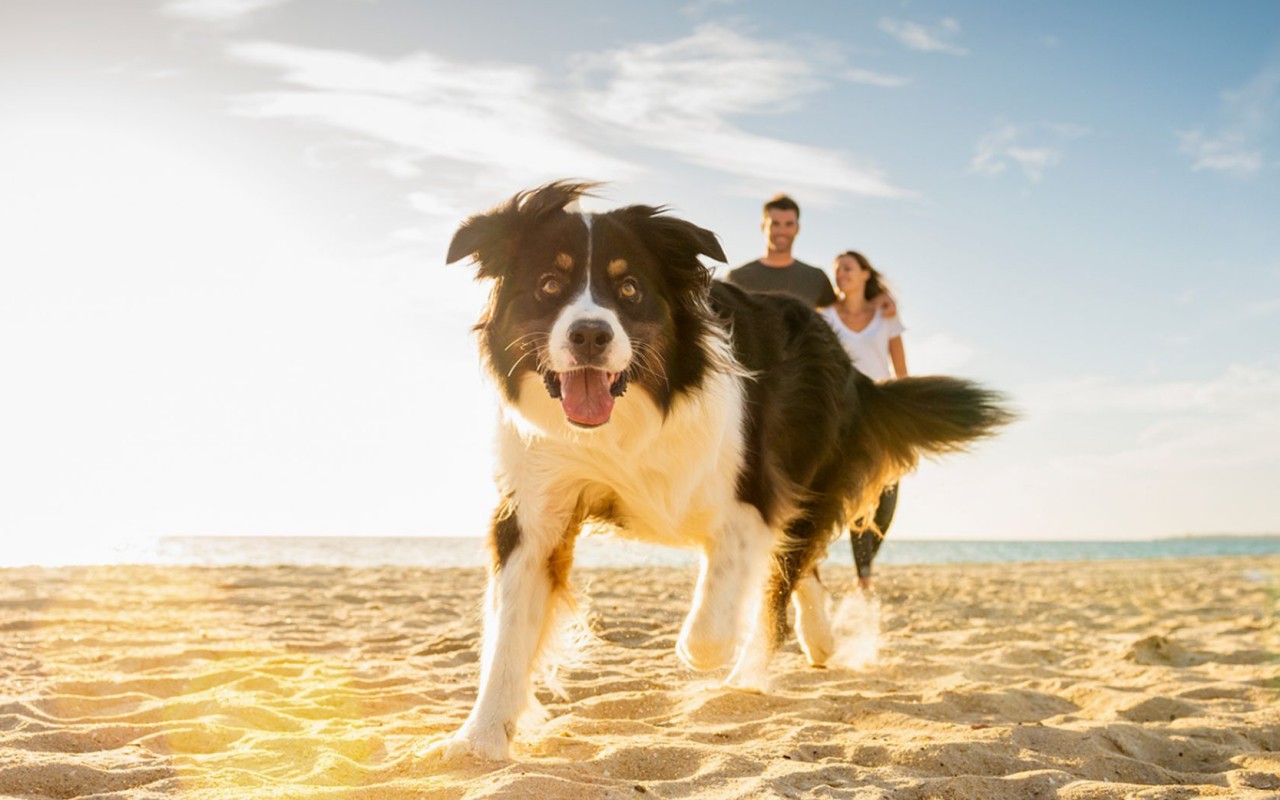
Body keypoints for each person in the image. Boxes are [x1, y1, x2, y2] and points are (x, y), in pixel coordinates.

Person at [819, 251, 907, 592]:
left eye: (848, 268)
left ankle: (864, 568)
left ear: (865, 274)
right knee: (855, 489)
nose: (841, 274)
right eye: (837, 269)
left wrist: (906, 413)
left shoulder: (886, 316)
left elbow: (901, 371)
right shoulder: (825, 316)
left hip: (883, 413)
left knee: (886, 497)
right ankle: (863, 576)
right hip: (843, 412)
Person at [725, 194, 836, 308]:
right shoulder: (737, 278)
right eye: (775, 224)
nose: (782, 231)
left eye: (789, 224)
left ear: (797, 228)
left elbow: (838, 318)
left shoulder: (816, 278)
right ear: (763, 226)